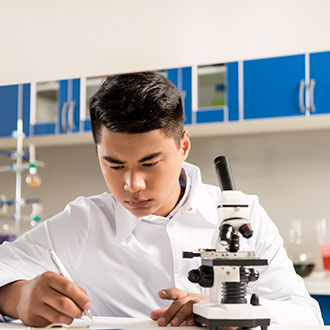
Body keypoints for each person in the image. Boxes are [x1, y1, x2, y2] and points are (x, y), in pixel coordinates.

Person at [0, 72, 323, 327]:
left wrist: (231, 315)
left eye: (149, 163)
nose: (132, 185)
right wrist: (16, 297)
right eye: (114, 165)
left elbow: (306, 316)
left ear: (183, 146)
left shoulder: (242, 212)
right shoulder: (84, 222)